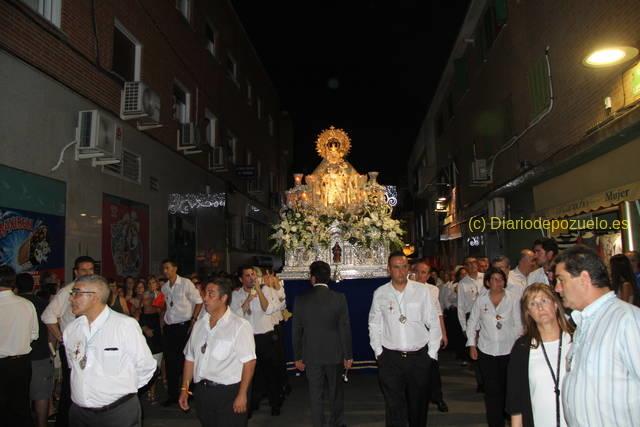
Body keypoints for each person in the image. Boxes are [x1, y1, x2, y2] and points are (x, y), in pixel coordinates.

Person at [554, 245, 640, 426]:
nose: (557, 288)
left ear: (584, 278)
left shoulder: (627, 320)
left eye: (561, 280)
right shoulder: (585, 322)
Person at [63, 275, 156, 427]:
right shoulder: (72, 330)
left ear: (95, 297)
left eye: (76, 293)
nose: (71, 299)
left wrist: (121, 392)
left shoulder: (124, 326)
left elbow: (146, 367)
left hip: (117, 413)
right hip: (80, 414)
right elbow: (74, 366)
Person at [368, 252, 441, 427]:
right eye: (396, 267)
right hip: (391, 358)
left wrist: (431, 354)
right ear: (389, 269)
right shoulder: (380, 293)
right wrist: (379, 352)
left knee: (418, 406)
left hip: (418, 358)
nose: (401, 271)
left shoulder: (422, 291)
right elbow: (374, 324)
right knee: (394, 408)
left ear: (408, 268)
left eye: (404, 267)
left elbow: (433, 321)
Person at [179, 277, 256, 427]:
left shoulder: (239, 326)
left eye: (210, 294)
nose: (205, 298)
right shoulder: (199, 325)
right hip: (203, 392)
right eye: (205, 294)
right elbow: (190, 359)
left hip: (228, 393)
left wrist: (242, 394)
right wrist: (185, 389)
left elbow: (249, 362)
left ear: (224, 298)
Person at [293, 261, 353, 427]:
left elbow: (296, 331)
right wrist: (348, 355)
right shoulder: (339, 298)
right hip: (334, 353)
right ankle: (337, 423)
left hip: (311, 354)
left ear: (312, 278)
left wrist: (297, 356)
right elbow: (345, 328)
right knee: (336, 392)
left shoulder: (301, 300)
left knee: (315, 394)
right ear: (329, 277)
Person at [506, 283, 574, 427]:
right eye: (533, 303)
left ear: (555, 304)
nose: (540, 307)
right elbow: (516, 402)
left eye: (544, 300)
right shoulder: (522, 348)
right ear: (528, 313)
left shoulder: (576, 340)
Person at [41, 255, 95, 427]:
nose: (88, 272)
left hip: (91, 347)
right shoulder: (68, 291)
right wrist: (63, 339)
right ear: (76, 271)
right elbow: (48, 316)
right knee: (71, 389)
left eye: (91, 269)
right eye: (84, 270)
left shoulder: (95, 289)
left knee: (88, 388)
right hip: (73, 349)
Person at [467, 267, 522, 427]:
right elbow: (472, 323)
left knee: (508, 390)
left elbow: (519, 324)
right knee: (492, 392)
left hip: (509, 351)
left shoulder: (513, 298)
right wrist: (472, 345)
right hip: (487, 351)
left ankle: (512, 420)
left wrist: (519, 348)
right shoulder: (481, 300)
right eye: (494, 279)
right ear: (487, 282)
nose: (498, 283)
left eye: (501, 279)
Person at [230, 265, 281, 416]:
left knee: (271, 371)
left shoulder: (265, 290)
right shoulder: (236, 295)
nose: (251, 278)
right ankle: (252, 403)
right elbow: (235, 316)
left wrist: (258, 291)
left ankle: (275, 403)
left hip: (264, 336)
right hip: (246, 339)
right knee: (251, 374)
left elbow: (269, 309)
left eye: (253, 274)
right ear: (241, 279)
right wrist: (248, 299)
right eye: (247, 275)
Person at [160, 259, 203, 406]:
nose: (165, 271)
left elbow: (199, 301)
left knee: (186, 361)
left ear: (175, 268)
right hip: (170, 327)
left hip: (184, 326)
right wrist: (164, 321)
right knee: (171, 362)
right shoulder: (165, 287)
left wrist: (194, 319)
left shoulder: (186, 283)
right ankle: (172, 395)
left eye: (168, 268)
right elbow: (165, 306)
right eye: (163, 269)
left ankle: (188, 392)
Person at [0, 266, 39, 427]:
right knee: (21, 407)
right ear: (13, 282)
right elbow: (34, 335)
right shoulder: (26, 304)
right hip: (21, 363)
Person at [17, 273, 54, 427]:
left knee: (19, 395)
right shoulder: (43, 303)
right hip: (41, 355)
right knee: (41, 395)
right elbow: (51, 328)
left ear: (16, 287)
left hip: (18, 356)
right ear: (34, 286)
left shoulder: (15, 304)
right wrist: (52, 349)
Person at [413, 259, 448, 413]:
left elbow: (438, 312)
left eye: (424, 272)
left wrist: (443, 334)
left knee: (433, 366)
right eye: (419, 271)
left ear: (428, 275)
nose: (421, 275)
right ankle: (419, 398)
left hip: (430, 332)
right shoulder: (409, 288)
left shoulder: (433, 290)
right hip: (414, 332)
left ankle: (437, 397)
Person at [137, 291, 163, 403]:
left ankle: (152, 393)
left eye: (147, 298)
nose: (144, 301)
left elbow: (162, 325)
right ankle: (145, 390)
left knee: (155, 369)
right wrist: (144, 328)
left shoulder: (158, 310)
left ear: (152, 299)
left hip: (156, 343)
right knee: (143, 369)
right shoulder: (139, 311)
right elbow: (134, 324)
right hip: (144, 344)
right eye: (143, 298)